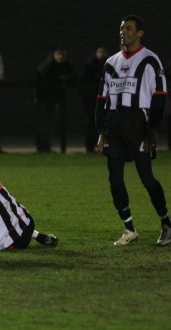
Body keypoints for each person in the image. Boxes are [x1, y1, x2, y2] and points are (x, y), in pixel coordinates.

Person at [95, 15, 171, 246]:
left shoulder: (150, 60)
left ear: (140, 33)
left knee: (146, 177)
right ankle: (129, 229)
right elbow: (102, 97)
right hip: (115, 124)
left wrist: (152, 128)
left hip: (138, 125)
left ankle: (166, 223)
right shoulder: (111, 62)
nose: (123, 32)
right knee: (115, 178)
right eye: (121, 29)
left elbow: (160, 95)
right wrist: (101, 130)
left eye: (128, 29)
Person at [34, 49, 76, 152]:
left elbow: (74, 76)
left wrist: (63, 78)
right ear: (54, 55)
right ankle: (42, 147)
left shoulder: (64, 65)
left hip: (54, 100)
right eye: (58, 55)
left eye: (62, 55)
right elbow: (42, 76)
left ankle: (45, 147)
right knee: (44, 124)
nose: (60, 57)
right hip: (44, 99)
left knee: (50, 124)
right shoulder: (47, 66)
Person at [80, 47, 108, 153]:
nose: (101, 54)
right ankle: (90, 146)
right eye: (99, 52)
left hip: (101, 98)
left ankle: (100, 145)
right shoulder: (90, 65)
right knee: (93, 121)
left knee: (101, 122)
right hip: (92, 98)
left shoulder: (107, 64)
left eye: (103, 52)